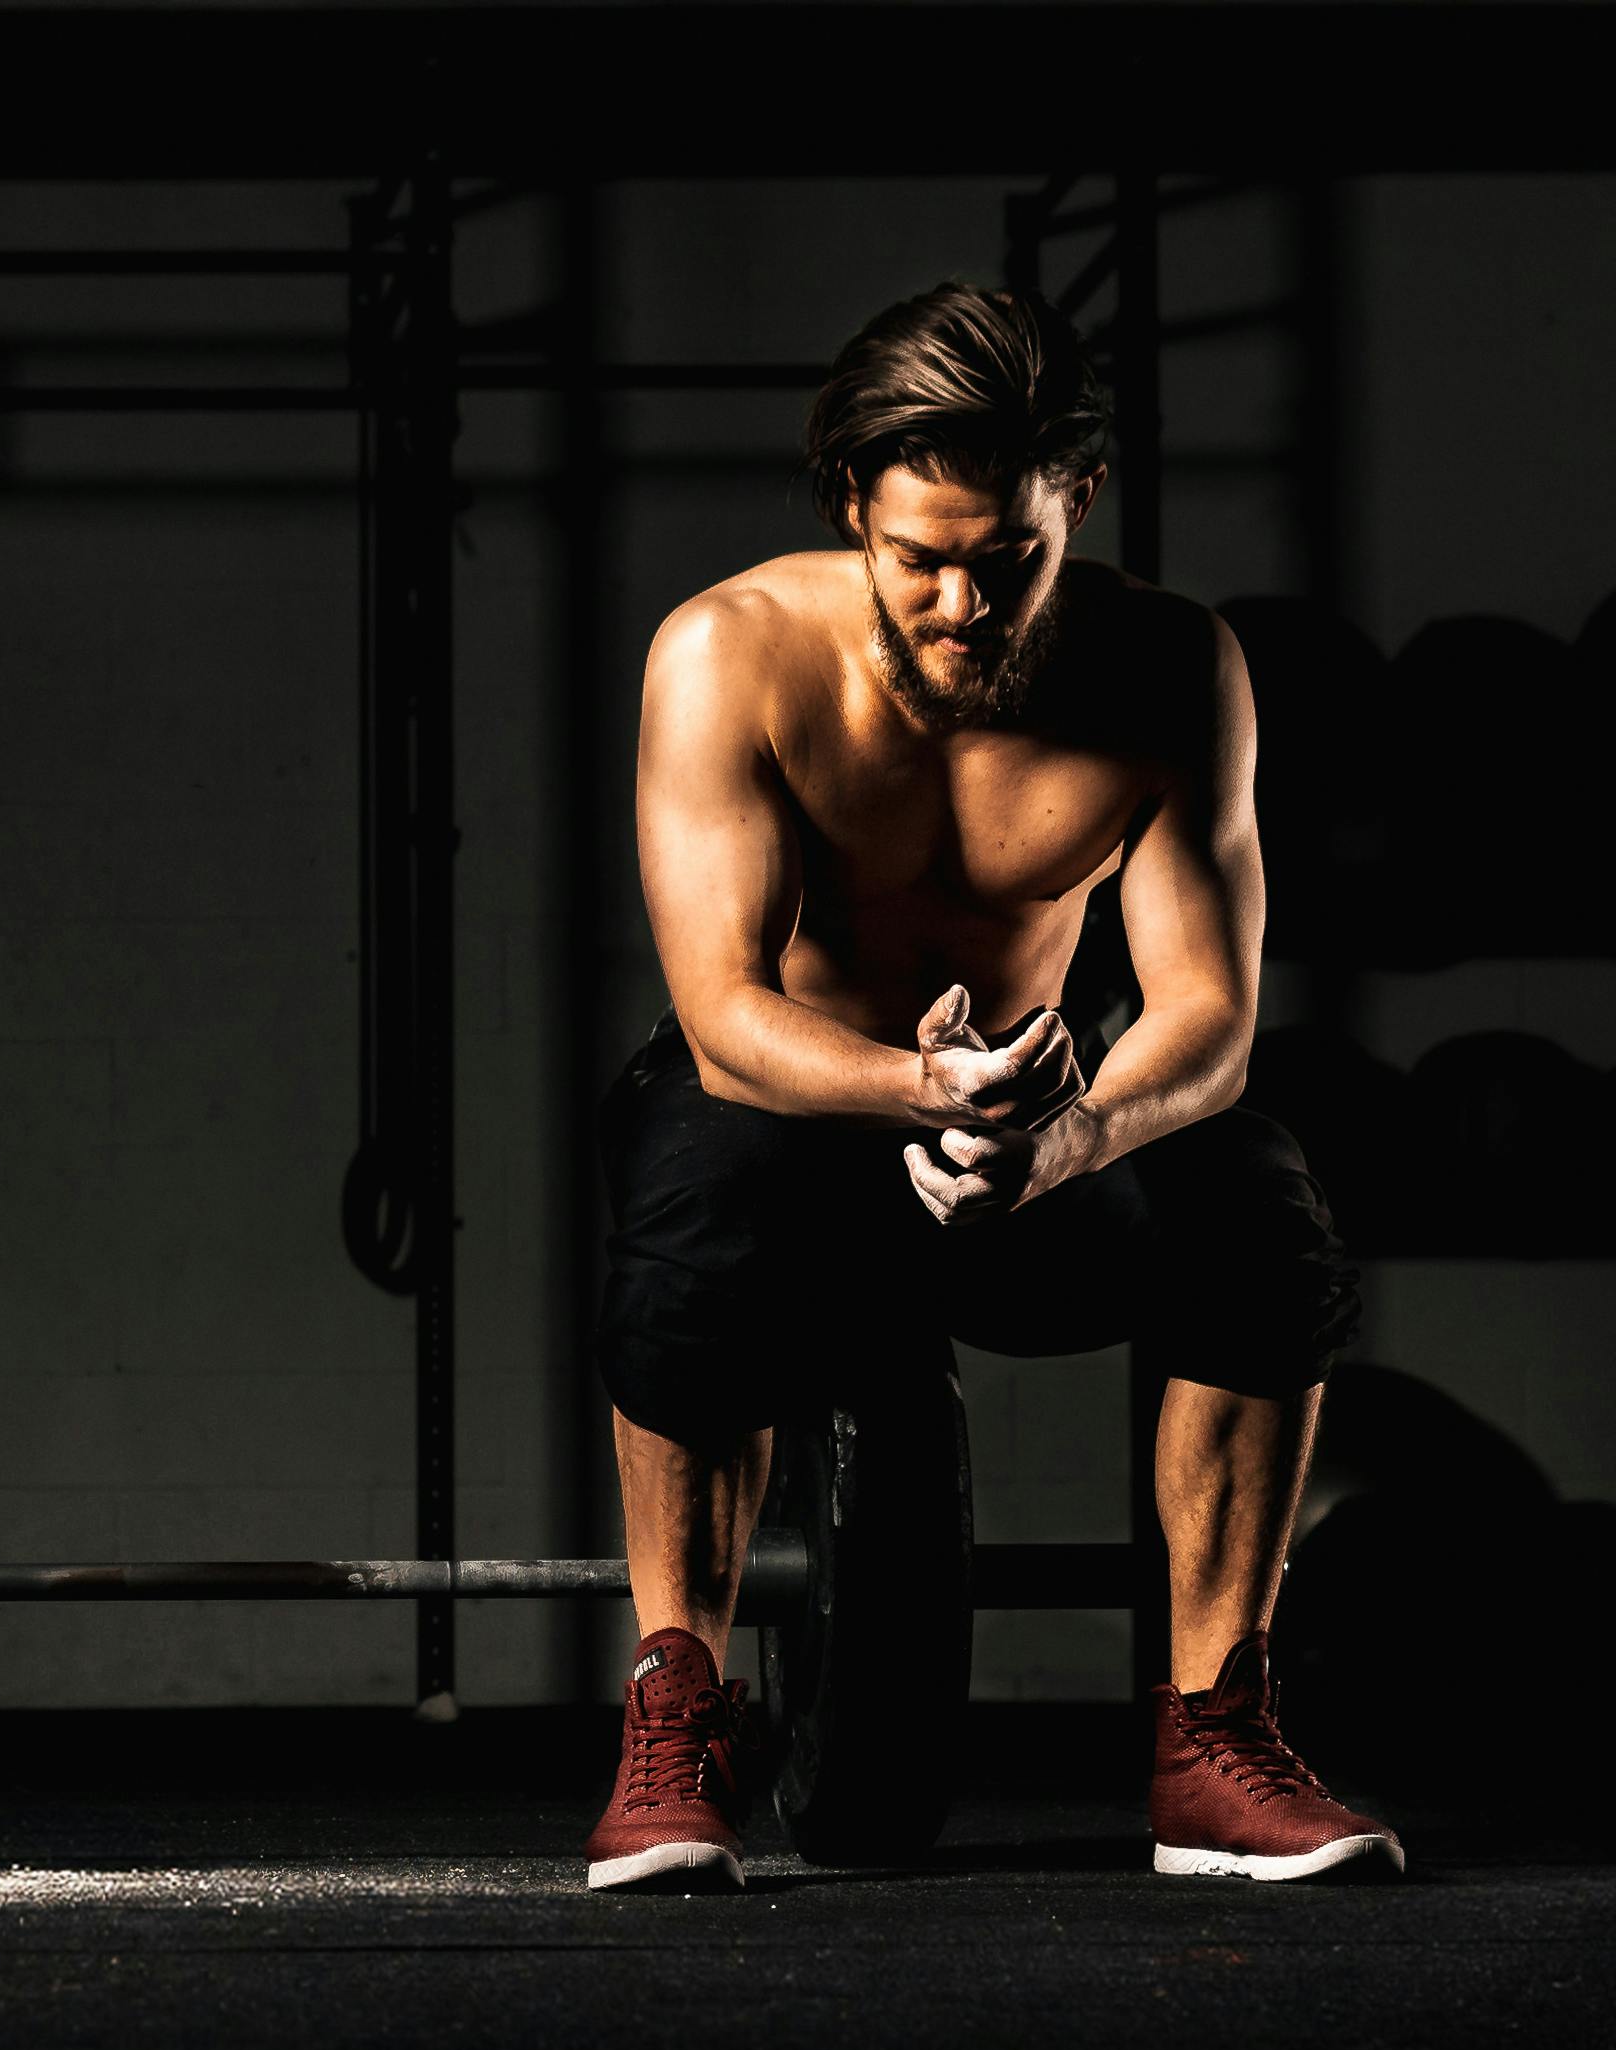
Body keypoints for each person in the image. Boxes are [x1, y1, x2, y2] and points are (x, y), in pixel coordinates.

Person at [586, 283, 1394, 1891]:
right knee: (693, 1179)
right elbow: (728, 1010)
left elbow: (1207, 1015)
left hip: (1020, 1145)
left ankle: (1210, 1727)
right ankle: (677, 1712)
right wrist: (908, 1081)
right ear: (851, 513)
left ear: (1073, 504)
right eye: (918, 558)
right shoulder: (728, 657)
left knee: (1257, 1205)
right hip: (798, 1121)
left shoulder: (1170, 667)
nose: (959, 601)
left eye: (1004, 556)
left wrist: (1068, 1130)